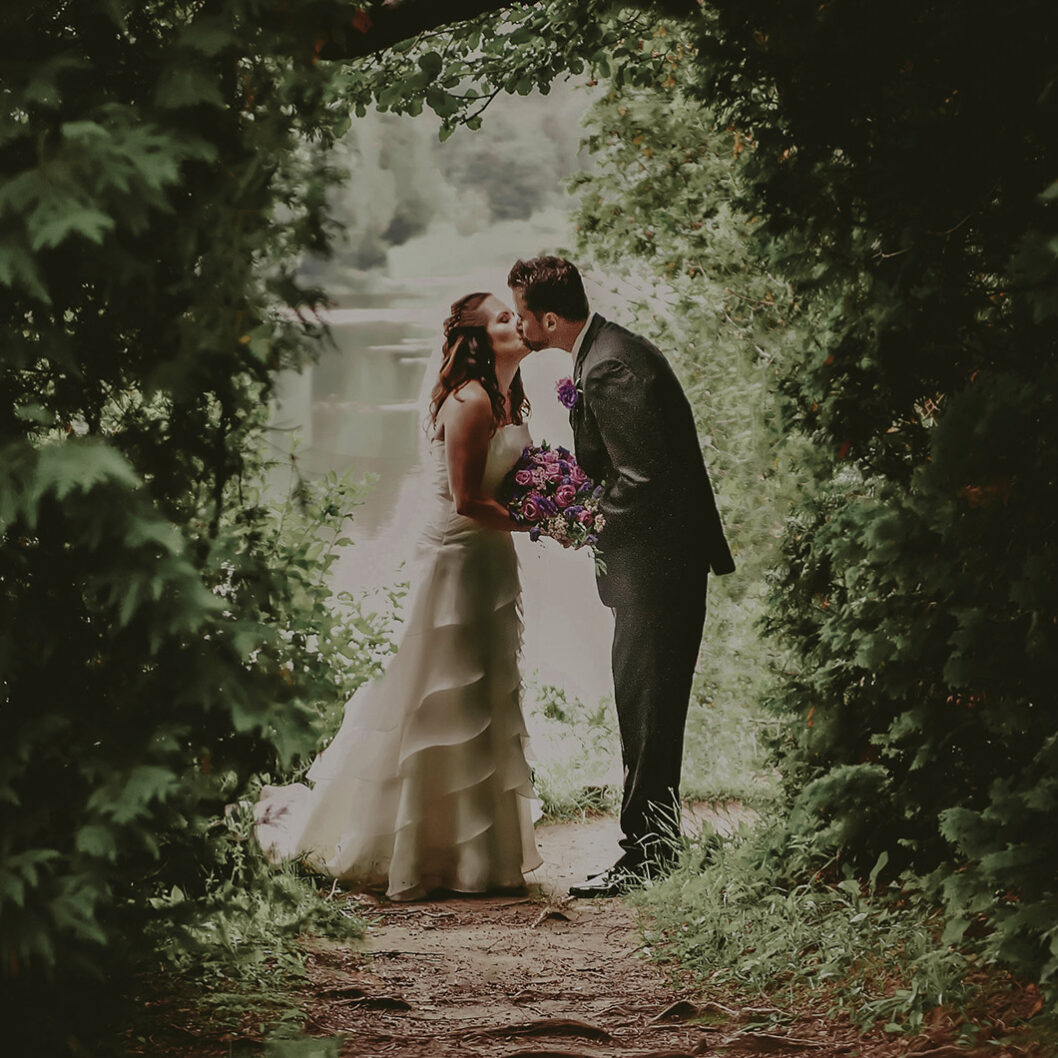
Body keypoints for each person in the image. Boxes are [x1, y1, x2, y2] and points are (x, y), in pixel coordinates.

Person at [255, 292, 543, 901]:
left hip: (492, 564)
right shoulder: (468, 401)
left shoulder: (510, 397)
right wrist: (544, 521)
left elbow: (511, 482)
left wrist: (550, 498)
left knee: (484, 697)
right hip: (456, 562)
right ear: (476, 340)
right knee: (439, 697)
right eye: (501, 318)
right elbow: (467, 501)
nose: (516, 321)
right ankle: (412, 849)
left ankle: (477, 858)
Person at [508, 256, 735, 898]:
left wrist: (577, 518)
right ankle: (653, 845)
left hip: (658, 568)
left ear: (549, 320)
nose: (520, 324)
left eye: (522, 314)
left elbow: (643, 479)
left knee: (647, 707)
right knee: (647, 705)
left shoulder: (610, 366)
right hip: (654, 565)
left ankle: (647, 856)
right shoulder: (604, 351)